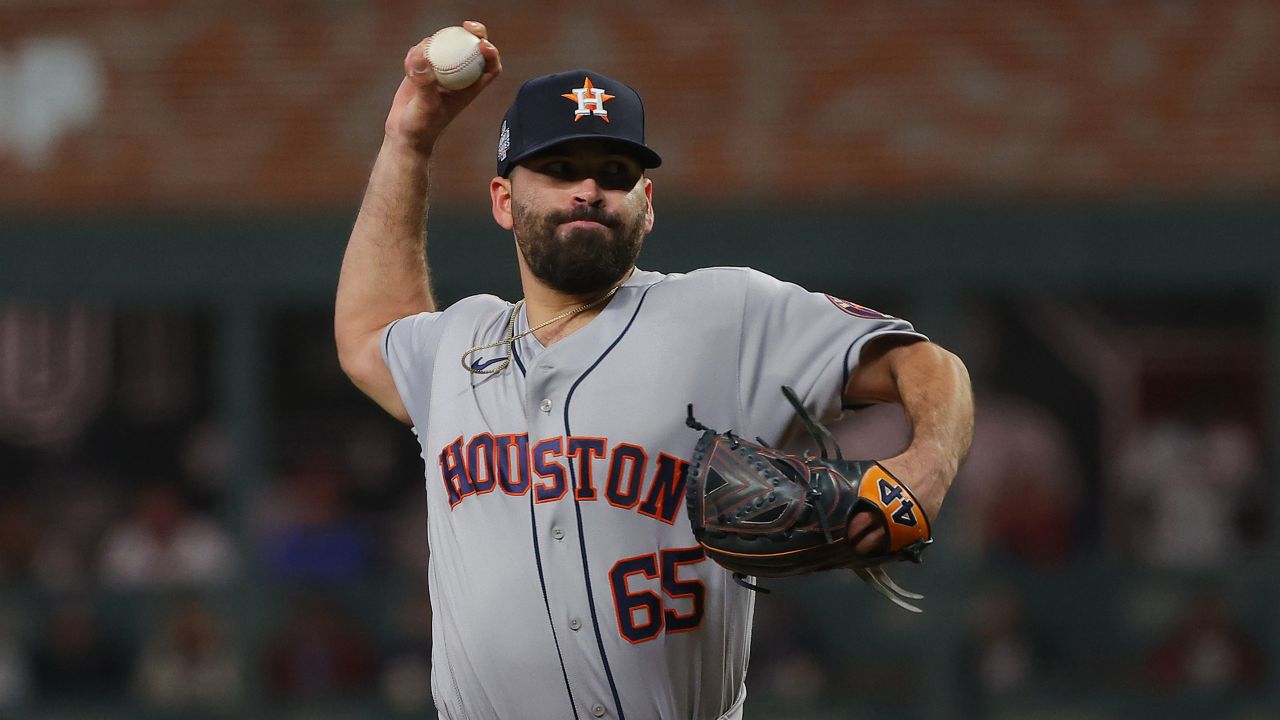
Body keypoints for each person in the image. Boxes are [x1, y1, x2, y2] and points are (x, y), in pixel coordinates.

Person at [334, 21, 973, 720]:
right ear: (503, 200)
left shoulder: (724, 312)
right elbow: (371, 332)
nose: (588, 189)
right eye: (558, 168)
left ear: (647, 204)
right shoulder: (459, 343)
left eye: (615, 173)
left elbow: (928, 365)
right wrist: (408, 141)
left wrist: (926, 471)